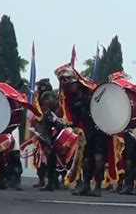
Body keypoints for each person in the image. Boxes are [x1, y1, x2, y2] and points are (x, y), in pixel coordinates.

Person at [55, 64, 107, 197]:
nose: (68, 88)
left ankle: (98, 187)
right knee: (85, 159)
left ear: (76, 83)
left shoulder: (93, 92)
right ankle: (86, 185)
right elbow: (74, 119)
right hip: (86, 131)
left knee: (99, 158)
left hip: (101, 129)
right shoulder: (71, 100)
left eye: (70, 85)